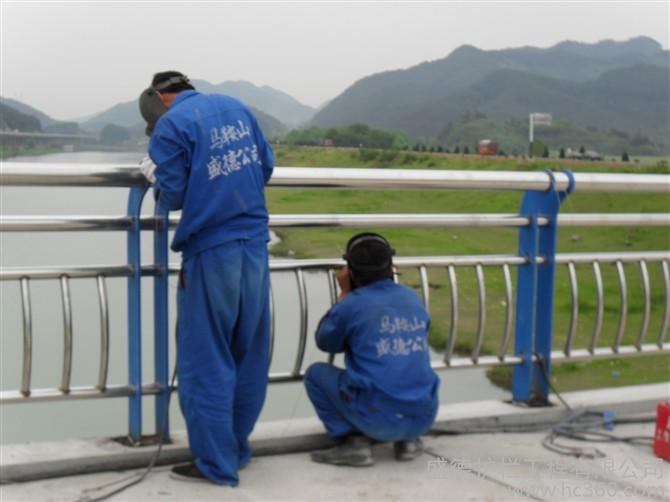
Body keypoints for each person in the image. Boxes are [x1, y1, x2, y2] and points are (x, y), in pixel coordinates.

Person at [141, 71, 275, 486]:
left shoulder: (170, 126)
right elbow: (266, 166)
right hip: (255, 246)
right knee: (248, 353)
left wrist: (154, 174)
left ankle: (216, 465)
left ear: (159, 98)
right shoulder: (237, 107)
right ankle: (237, 449)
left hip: (211, 252)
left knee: (206, 360)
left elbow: (175, 193)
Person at [304, 233, 440, 467]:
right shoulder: (411, 297)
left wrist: (344, 295)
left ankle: (354, 443)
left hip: (378, 421)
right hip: (424, 417)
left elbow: (326, 342)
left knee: (316, 374)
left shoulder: (352, 303)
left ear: (351, 273)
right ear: (391, 268)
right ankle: (409, 442)